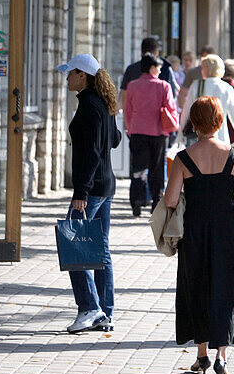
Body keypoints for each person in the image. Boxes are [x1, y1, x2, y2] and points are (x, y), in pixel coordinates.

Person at [164, 95, 234, 374]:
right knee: (227, 290)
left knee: (197, 288)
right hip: (228, 231)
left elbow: (171, 201)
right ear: (220, 122)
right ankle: (221, 358)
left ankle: (201, 354)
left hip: (195, 232)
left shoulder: (183, 158)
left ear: (194, 124)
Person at [60, 52, 122, 333]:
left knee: (74, 246)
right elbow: (116, 140)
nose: (67, 77)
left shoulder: (90, 106)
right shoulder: (103, 104)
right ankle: (104, 311)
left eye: (71, 73)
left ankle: (90, 308)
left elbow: (95, 152)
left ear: (82, 76)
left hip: (92, 188)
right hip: (105, 185)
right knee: (100, 249)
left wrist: (81, 192)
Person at [124, 54, 177, 216]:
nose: (160, 70)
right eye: (159, 67)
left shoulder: (132, 86)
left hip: (138, 131)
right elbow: (171, 108)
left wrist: (129, 128)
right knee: (157, 167)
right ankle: (156, 200)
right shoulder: (164, 86)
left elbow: (128, 110)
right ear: (153, 68)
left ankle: (136, 201)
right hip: (158, 132)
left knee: (138, 167)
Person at [179, 54, 234, 148]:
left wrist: (180, 136)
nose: (201, 70)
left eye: (203, 67)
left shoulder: (197, 85)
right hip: (221, 136)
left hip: (199, 137)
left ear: (208, 68)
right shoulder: (226, 88)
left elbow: (187, 111)